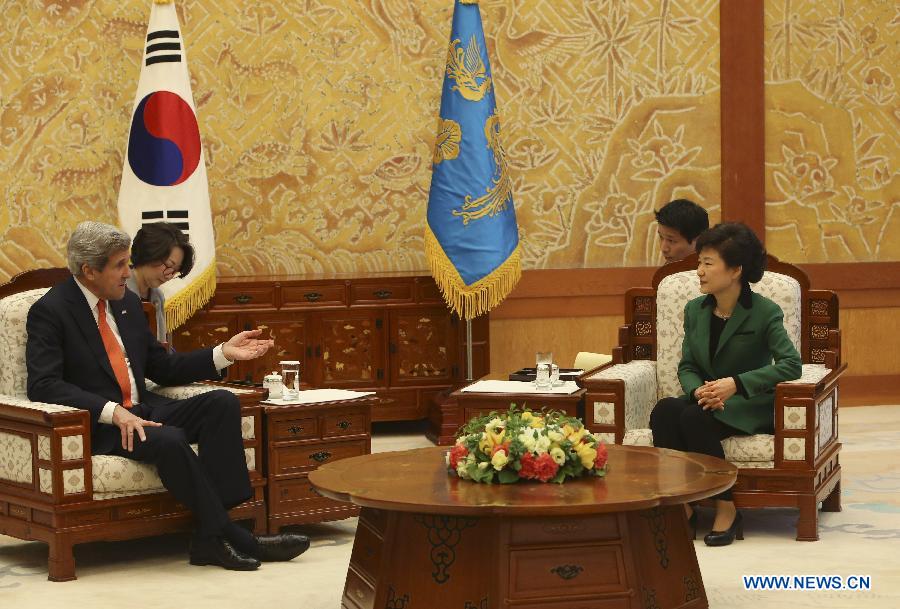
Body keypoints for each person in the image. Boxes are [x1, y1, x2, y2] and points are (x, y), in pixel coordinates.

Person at [26, 221, 309, 571]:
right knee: (170, 438)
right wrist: (112, 411)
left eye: (128, 263)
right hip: (102, 426)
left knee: (221, 403)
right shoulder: (50, 311)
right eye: (119, 265)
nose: (128, 272)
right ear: (88, 270)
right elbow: (43, 384)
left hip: (142, 409)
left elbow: (162, 367)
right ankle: (236, 537)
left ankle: (210, 537)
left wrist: (222, 354)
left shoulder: (126, 302)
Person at [648, 222, 801, 546]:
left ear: (734, 270)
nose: (699, 271)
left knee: (691, 416)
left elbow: (791, 364)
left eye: (707, 263)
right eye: (699, 262)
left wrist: (736, 384)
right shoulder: (695, 310)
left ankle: (727, 507)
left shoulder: (764, 312)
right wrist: (697, 390)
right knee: (666, 409)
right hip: (707, 400)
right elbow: (687, 365)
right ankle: (684, 505)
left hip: (749, 403)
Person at [127, 222, 193, 344]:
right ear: (149, 253)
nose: (170, 275)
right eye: (169, 265)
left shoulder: (158, 296)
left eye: (175, 270)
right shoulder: (116, 292)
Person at [655, 198, 709, 263]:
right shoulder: (668, 269)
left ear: (698, 240)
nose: (663, 249)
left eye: (671, 240)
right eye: (661, 237)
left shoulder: (709, 271)